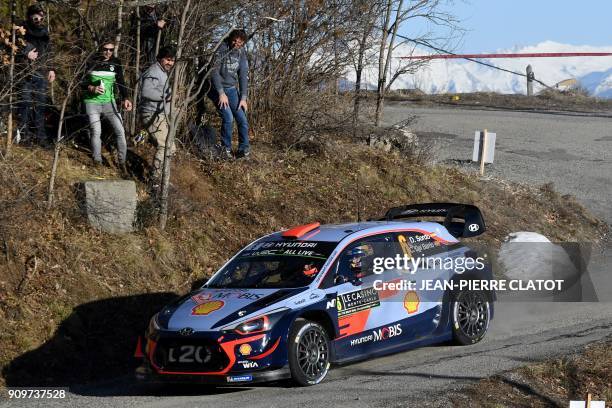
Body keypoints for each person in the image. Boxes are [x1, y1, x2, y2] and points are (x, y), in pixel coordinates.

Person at [82, 41, 132, 172]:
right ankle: (97, 161)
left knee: (120, 131)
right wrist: (91, 87)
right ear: (100, 48)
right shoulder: (91, 61)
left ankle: (122, 163)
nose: (108, 52)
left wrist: (126, 98)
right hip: (92, 102)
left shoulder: (116, 62)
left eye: (111, 50)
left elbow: (121, 82)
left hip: (109, 103)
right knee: (96, 131)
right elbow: (80, 81)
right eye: (105, 49)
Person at [17, 4, 56, 145]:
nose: (39, 18)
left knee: (40, 105)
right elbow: (13, 44)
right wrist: (26, 52)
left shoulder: (44, 31)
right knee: (25, 103)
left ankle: (41, 136)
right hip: (24, 72)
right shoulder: (21, 28)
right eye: (36, 15)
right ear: (30, 15)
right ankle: (24, 136)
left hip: (41, 72)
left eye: (41, 16)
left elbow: (49, 50)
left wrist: (52, 69)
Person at [208, 29, 250, 159]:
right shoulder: (221, 48)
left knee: (242, 119)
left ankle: (244, 150)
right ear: (231, 39)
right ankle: (225, 149)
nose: (236, 44)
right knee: (228, 117)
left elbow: (242, 75)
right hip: (216, 88)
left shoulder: (241, 52)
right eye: (234, 41)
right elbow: (213, 71)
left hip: (231, 89)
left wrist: (243, 97)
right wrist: (221, 92)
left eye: (239, 43)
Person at [139, 46, 176, 185]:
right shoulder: (154, 71)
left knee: (170, 148)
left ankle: (162, 178)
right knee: (165, 147)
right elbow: (146, 92)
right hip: (151, 114)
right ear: (160, 58)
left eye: (172, 60)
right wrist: (165, 98)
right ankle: (154, 180)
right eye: (167, 59)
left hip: (160, 115)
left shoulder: (163, 71)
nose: (170, 63)